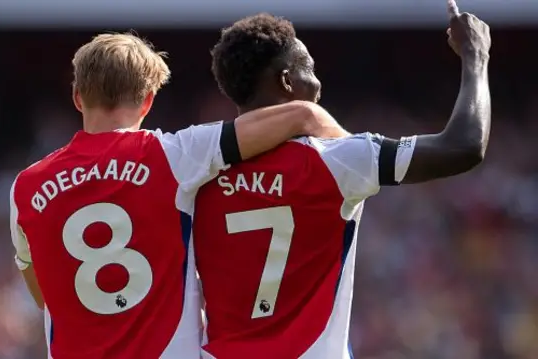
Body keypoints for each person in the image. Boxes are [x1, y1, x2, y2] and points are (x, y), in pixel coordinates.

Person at [9, 33, 342, 359]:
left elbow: (43, 294)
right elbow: (302, 116)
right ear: (148, 100)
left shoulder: (26, 185)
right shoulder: (174, 155)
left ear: (78, 97)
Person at [193, 4, 491, 358]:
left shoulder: (194, 169)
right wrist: (476, 56)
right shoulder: (336, 160)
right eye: (311, 71)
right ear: (287, 81)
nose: (318, 86)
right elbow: (464, 146)